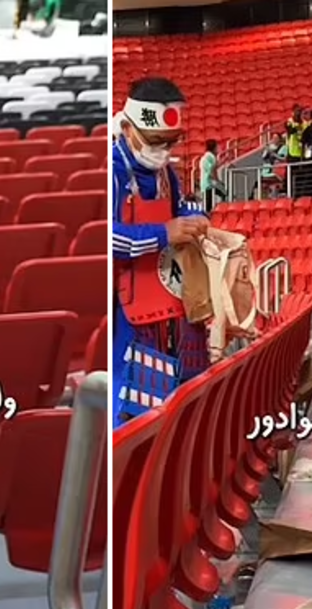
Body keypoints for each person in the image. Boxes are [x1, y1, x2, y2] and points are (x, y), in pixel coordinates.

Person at [111, 77, 210, 425]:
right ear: (127, 127)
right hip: (124, 307)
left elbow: (180, 207)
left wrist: (194, 219)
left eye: (171, 143)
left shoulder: (167, 172)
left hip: (166, 300)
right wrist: (163, 233)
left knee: (169, 395)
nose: (164, 151)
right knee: (130, 397)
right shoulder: (111, 169)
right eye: (155, 142)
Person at [285, 104, 306, 197]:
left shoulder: (305, 123)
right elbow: (290, 130)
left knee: (301, 175)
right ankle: (288, 193)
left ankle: (299, 194)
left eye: (300, 111)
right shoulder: (289, 122)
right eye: (297, 111)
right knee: (289, 174)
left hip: (302, 153)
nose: (299, 113)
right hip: (292, 153)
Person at [199, 139, 225, 211]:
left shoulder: (205, 157)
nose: (218, 149)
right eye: (217, 147)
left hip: (205, 184)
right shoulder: (211, 157)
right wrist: (217, 181)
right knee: (224, 193)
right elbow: (212, 170)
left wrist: (223, 161)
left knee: (208, 205)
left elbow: (214, 167)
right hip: (209, 184)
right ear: (213, 148)